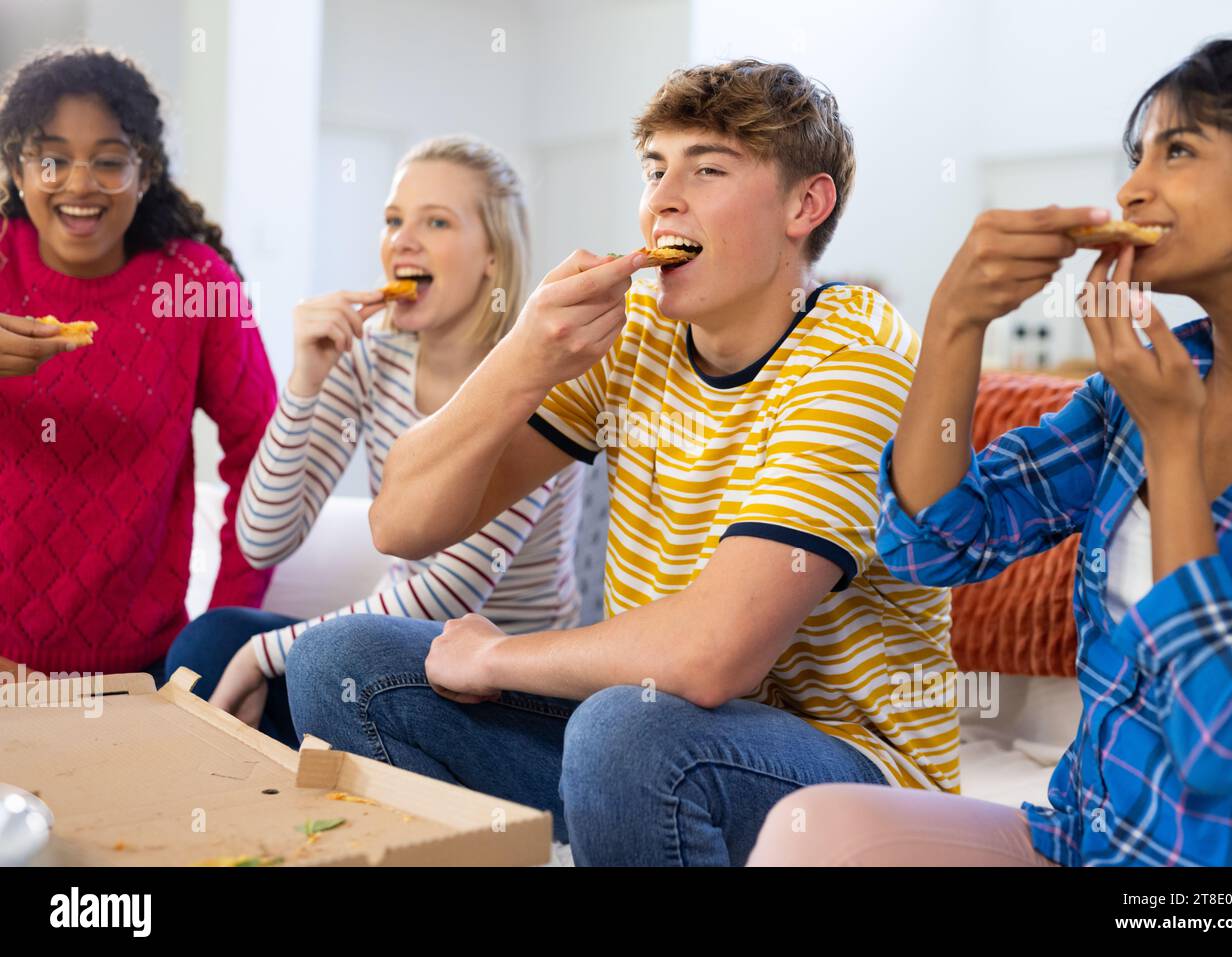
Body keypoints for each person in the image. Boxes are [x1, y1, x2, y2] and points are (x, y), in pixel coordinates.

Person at [288, 60, 955, 865]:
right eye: (654, 168)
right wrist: (523, 354)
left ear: (805, 205)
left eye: (707, 169)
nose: (663, 199)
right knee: (342, 662)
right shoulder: (638, 327)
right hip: (652, 726)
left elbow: (711, 656)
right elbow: (402, 522)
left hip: (849, 775)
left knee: (627, 729)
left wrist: (495, 657)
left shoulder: (860, 357)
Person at [749, 8, 1232, 867]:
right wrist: (955, 321)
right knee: (814, 833)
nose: (1132, 192)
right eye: (1137, 158)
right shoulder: (1146, 383)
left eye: (1179, 152)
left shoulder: (1155, 404)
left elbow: (1223, 746)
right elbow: (932, 540)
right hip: (1086, 841)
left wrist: (1172, 446)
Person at [166, 136, 584, 748]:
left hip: (504, 683)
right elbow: (261, 539)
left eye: (436, 221)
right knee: (214, 640)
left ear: (492, 254)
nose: (402, 241)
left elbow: (450, 592)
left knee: (282, 657)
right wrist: (306, 381)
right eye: (393, 220)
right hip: (392, 652)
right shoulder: (371, 361)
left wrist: (265, 654)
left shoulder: (538, 377)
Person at [0, 47, 274, 680]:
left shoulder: (194, 284)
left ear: (145, 171)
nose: (78, 183)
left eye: (109, 161)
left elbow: (265, 459)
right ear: (17, 168)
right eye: (50, 159)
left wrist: (224, 630)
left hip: (143, 674)